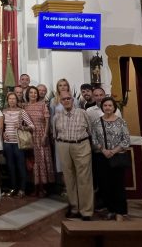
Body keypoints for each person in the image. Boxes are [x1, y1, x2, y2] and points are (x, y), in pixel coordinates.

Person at [53, 91, 93, 221]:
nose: (66, 101)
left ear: (73, 99)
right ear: (60, 101)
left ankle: (86, 211)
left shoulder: (83, 113)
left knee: (84, 178)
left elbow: (90, 130)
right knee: (69, 178)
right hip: (64, 146)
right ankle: (75, 208)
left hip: (81, 145)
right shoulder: (57, 116)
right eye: (63, 99)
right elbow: (54, 133)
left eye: (68, 98)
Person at [91, 97, 131, 221]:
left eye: (110, 105)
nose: (107, 107)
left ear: (114, 107)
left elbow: (126, 140)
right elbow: (93, 139)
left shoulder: (121, 122)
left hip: (117, 156)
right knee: (105, 185)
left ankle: (120, 211)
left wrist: (113, 151)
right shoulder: (97, 122)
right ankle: (111, 209)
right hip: (101, 157)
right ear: (102, 107)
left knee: (118, 185)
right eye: (105, 105)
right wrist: (103, 150)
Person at [2, 92, 34, 198]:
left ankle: (22, 189)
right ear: (7, 100)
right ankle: (13, 188)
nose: (12, 100)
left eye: (13, 99)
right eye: (10, 99)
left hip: (18, 143)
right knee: (10, 166)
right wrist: (3, 134)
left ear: (17, 100)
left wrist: (22, 127)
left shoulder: (21, 111)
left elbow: (32, 126)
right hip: (7, 143)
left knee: (20, 166)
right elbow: (2, 126)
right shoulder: (4, 112)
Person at [24, 86, 54, 197]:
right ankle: (35, 187)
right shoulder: (25, 107)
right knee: (33, 162)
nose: (33, 94)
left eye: (35, 93)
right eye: (31, 93)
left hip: (41, 135)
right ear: (27, 94)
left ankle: (44, 188)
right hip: (30, 137)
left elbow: (47, 121)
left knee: (43, 160)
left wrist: (45, 135)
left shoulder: (43, 105)